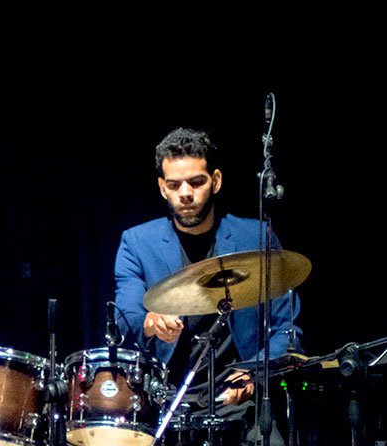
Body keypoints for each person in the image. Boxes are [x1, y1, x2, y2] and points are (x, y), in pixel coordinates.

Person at [114, 127, 300, 408]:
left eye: (196, 182)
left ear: (216, 181)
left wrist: (255, 372)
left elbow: (287, 331)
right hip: (164, 399)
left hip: (239, 402)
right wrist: (150, 323)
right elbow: (125, 317)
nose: (185, 193)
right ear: (163, 187)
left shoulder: (257, 237)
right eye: (175, 185)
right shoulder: (137, 242)